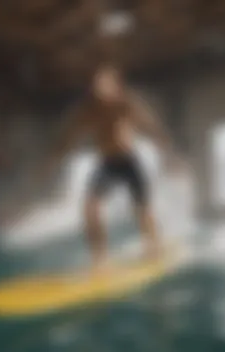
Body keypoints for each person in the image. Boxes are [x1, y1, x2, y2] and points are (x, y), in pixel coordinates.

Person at [36, 63, 185, 272]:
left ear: (116, 86)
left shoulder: (126, 104)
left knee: (141, 209)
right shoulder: (87, 111)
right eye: (98, 85)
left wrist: (170, 156)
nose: (101, 89)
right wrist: (51, 163)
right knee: (90, 207)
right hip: (107, 163)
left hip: (129, 161)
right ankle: (100, 258)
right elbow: (67, 139)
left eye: (106, 84)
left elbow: (151, 127)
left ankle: (154, 244)